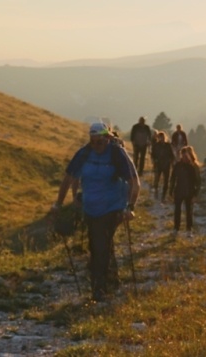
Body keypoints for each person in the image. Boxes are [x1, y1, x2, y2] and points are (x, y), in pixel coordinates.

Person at [52, 122, 140, 301]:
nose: (96, 145)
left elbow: (134, 182)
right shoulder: (84, 153)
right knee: (100, 244)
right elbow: (68, 178)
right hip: (90, 208)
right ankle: (111, 281)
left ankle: (99, 289)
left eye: (99, 142)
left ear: (107, 138)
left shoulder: (117, 154)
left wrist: (130, 207)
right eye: (93, 141)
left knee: (100, 244)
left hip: (113, 207)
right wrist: (58, 204)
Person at [170, 146, 202, 235]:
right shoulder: (177, 165)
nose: (184, 157)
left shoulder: (193, 167)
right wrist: (171, 191)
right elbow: (173, 178)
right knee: (177, 210)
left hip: (189, 191)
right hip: (179, 190)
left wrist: (195, 194)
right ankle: (176, 228)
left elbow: (198, 181)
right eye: (183, 155)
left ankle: (189, 229)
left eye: (186, 156)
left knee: (189, 211)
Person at [151, 131, 175, 201]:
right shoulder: (156, 145)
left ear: (165, 137)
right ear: (158, 138)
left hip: (166, 165)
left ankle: (163, 196)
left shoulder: (168, 145)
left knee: (166, 181)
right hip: (158, 165)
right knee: (156, 179)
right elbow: (153, 155)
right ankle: (156, 191)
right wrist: (154, 160)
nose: (162, 139)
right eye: (160, 137)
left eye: (163, 137)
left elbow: (172, 155)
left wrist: (171, 162)